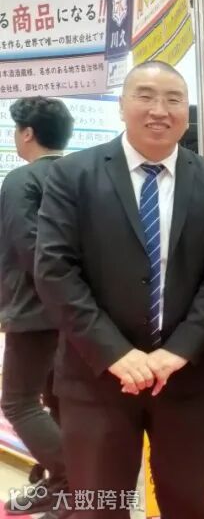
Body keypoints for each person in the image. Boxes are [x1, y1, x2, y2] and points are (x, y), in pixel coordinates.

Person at [34, 61, 204, 519]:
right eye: (145, 96)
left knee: (187, 503)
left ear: (185, 110)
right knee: (100, 506)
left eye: (172, 99)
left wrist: (178, 350)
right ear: (122, 105)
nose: (159, 110)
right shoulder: (73, 174)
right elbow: (54, 270)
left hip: (185, 379)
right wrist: (116, 354)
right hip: (96, 378)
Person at [0, 97, 74, 517]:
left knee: (19, 401)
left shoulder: (21, 180)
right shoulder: (77, 174)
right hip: (73, 311)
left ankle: (75, 479)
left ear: (27, 133)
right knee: (56, 399)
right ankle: (60, 487)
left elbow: (29, 250)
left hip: (33, 310)